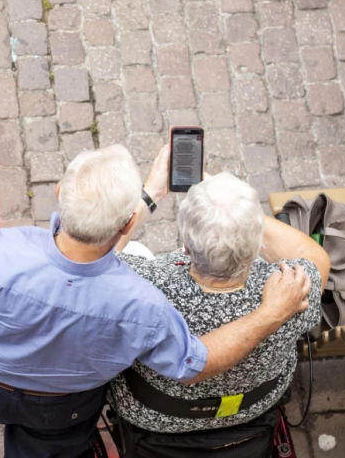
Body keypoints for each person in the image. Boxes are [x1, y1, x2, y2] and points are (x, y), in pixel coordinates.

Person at [0, 142, 312, 458]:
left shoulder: (3, 251)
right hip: (62, 407)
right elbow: (194, 363)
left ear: (60, 192)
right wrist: (271, 312)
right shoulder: (140, 302)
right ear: (126, 225)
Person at [109, 172, 330, 433]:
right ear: (256, 243)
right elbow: (315, 255)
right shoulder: (289, 290)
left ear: (187, 246)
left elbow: (101, 256)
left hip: (152, 412)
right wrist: (238, 216)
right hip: (253, 406)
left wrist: (149, 195)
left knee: (133, 250)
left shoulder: (143, 283)